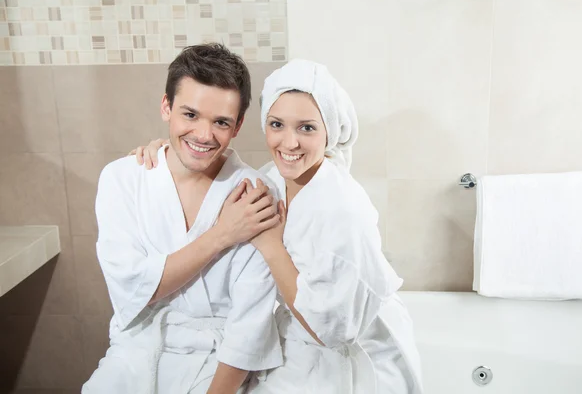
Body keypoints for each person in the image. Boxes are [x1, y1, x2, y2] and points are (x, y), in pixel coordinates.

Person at [133, 59, 423, 393]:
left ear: (330, 130)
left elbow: (331, 330)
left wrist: (271, 245)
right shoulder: (272, 177)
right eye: (277, 124)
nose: (289, 143)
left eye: (307, 128)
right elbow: (215, 171)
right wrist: (162, 155)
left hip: (347, 360)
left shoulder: (343, 209)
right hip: (299, 338)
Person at [82, 44, 284, 394]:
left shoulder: (254, 193)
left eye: (221, 122)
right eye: (190, 115)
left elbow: (251, 322)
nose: (204, 136)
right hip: (137, 351)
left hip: (220, 362)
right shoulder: (123, 179)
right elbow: (132, 286)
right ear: (166, 107)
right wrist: (222, 234)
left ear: (237, 126)